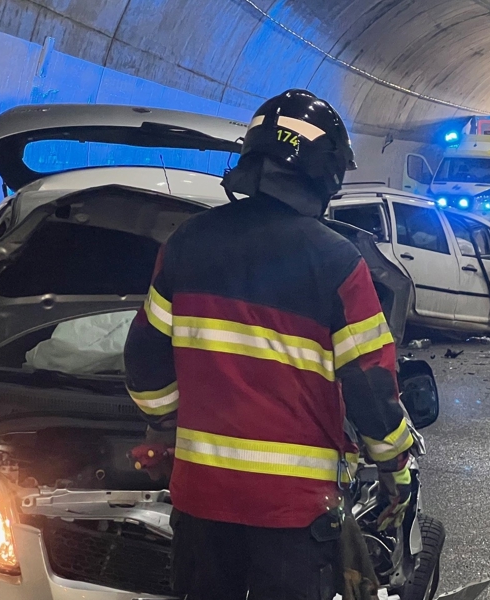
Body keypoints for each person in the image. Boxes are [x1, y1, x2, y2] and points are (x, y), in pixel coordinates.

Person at [123, 90, 414, 600]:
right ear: (325, 173)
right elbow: (370, 384)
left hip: (201, 504)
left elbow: (145, 359)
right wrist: (395, 463)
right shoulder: (338, 262)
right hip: (294, 515)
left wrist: (162, 425)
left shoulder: (186, 243)